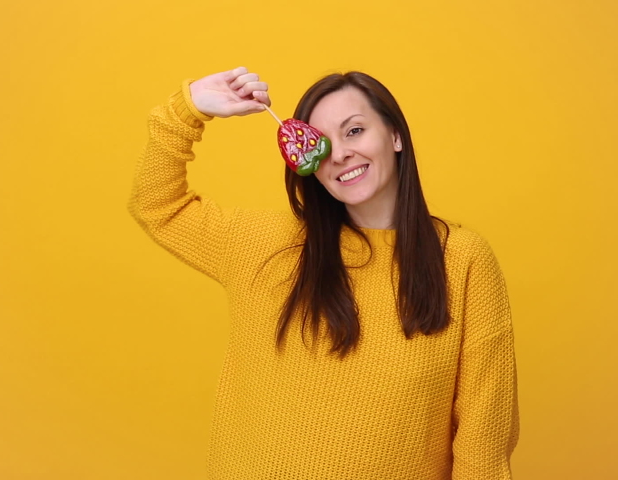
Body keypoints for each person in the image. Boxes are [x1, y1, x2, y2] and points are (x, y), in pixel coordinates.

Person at [128, 66, 519, 479]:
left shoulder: (460, 260)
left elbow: (483, 437)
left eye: (354, 131)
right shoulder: (267, 246)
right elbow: (157, 204)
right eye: (322, 143)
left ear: (395, 136)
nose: (340, 154)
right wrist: (189, 108)